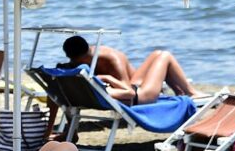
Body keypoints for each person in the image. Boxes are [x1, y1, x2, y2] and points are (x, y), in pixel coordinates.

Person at [59, 36, 201, 106]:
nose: (74, 63)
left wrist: (106, 77)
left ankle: (184, 92)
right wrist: (106, 78)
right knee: (165, 56)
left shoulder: (112, 58)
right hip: (139, 95)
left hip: (134, 88)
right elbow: (129, 91)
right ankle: (189, 92)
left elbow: (127, 87)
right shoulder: (80, 63)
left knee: (158, 54)